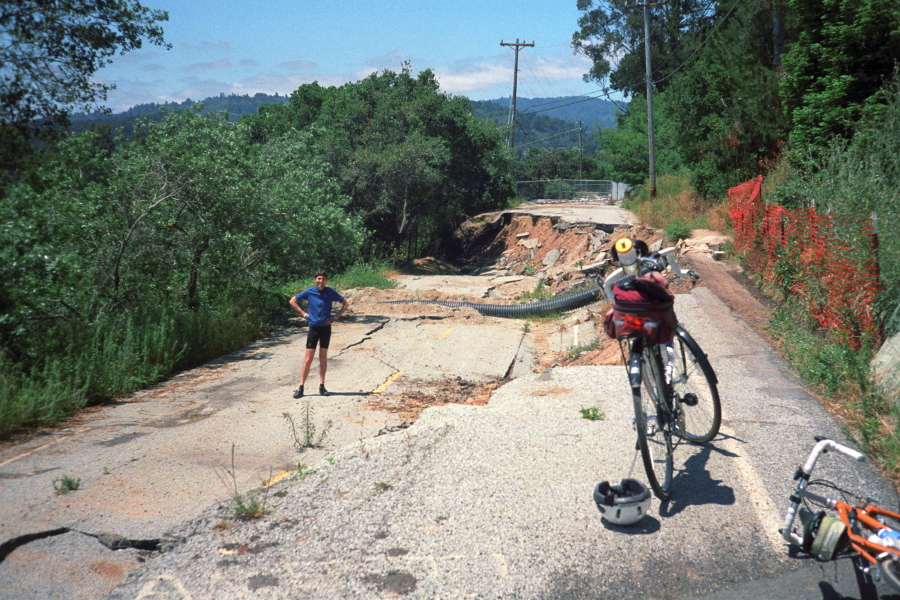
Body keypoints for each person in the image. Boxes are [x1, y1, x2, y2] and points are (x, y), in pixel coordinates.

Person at [289, 270, 348, 398]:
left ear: (326, 280)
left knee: (323, 358)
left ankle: (322, 386)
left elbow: (345, 304)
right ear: (315, 279)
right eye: (319, 279)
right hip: (314, 328)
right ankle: (301, 388)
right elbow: (292, 301)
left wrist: (335, 317)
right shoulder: (310, 292)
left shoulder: (330, 292)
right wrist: (304, 314)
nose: (321, 281)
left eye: (323, 279)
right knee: (308, 358)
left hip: (326, 328)